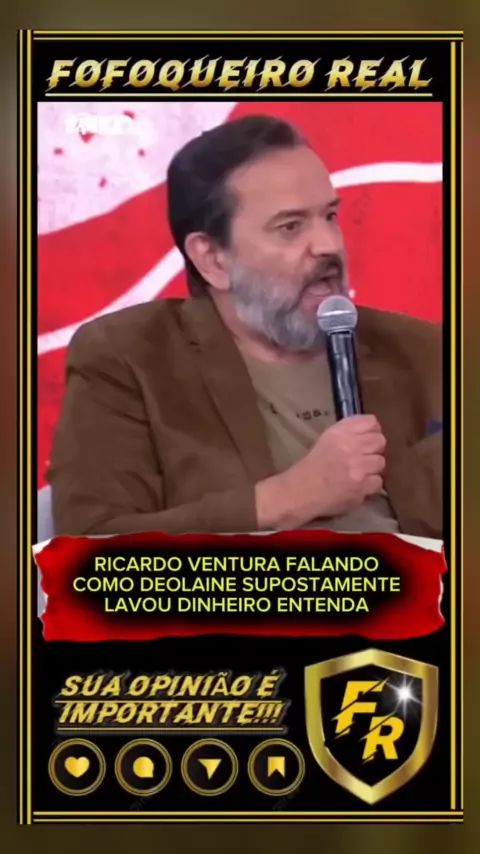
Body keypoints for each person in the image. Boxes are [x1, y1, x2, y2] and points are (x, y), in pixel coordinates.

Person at [47, 114, 443, 538]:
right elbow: (91, 544)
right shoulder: (131, 358)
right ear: (212, 259)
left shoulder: (424, 351)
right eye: (290, 227)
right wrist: (287, 499)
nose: (329, 244)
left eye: (330, 216)